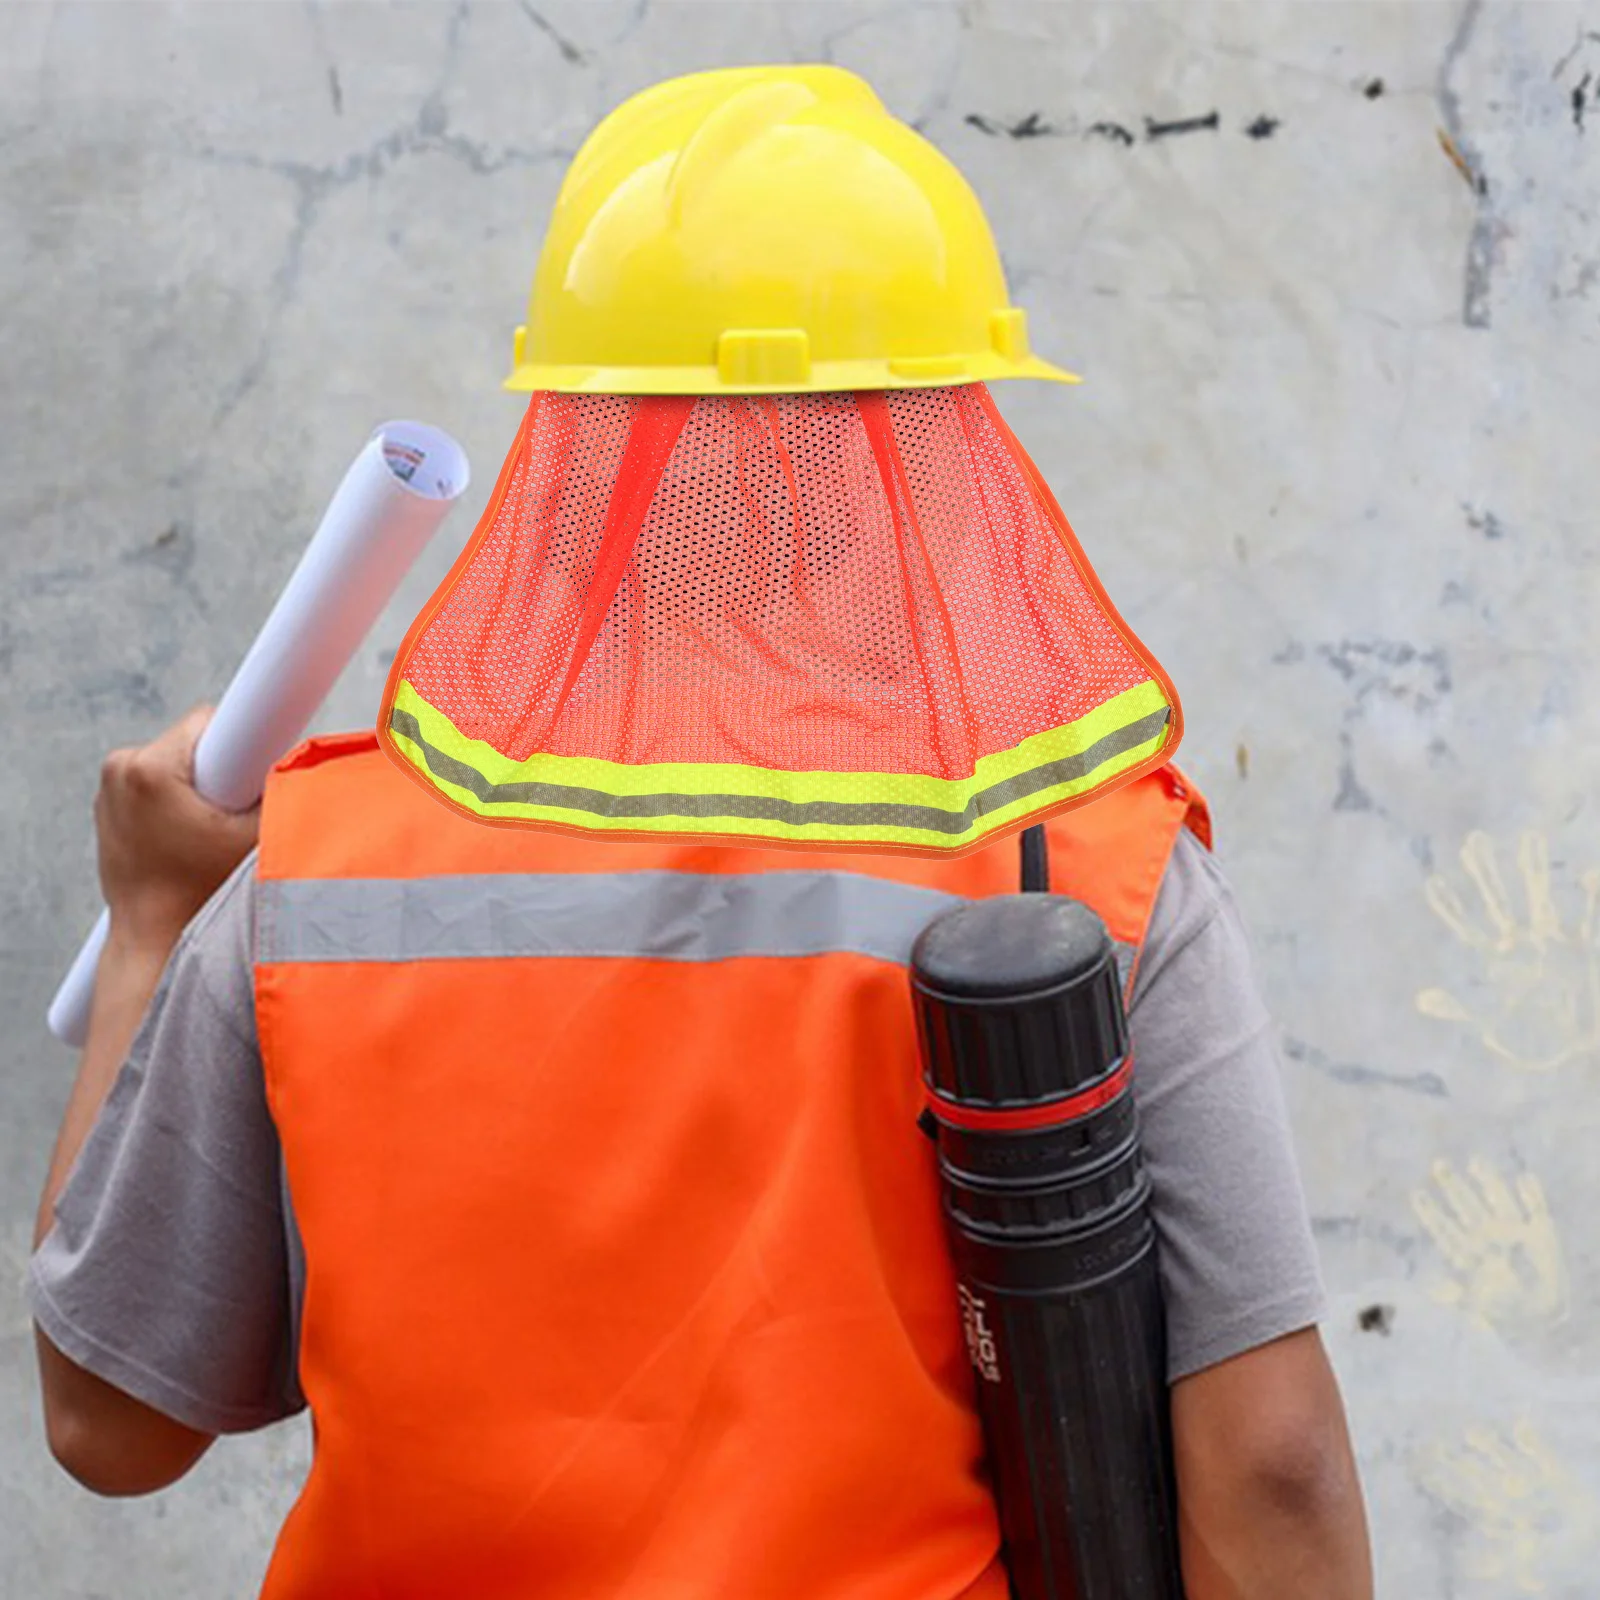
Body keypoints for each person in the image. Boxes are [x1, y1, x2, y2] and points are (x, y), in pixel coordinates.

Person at [32, 65, 1372, 1600]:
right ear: (930, 455)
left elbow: (107, 1419)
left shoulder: (320, 878)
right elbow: (1271, 1470)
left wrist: (147, 920)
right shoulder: (1090, 872)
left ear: (581, 448)